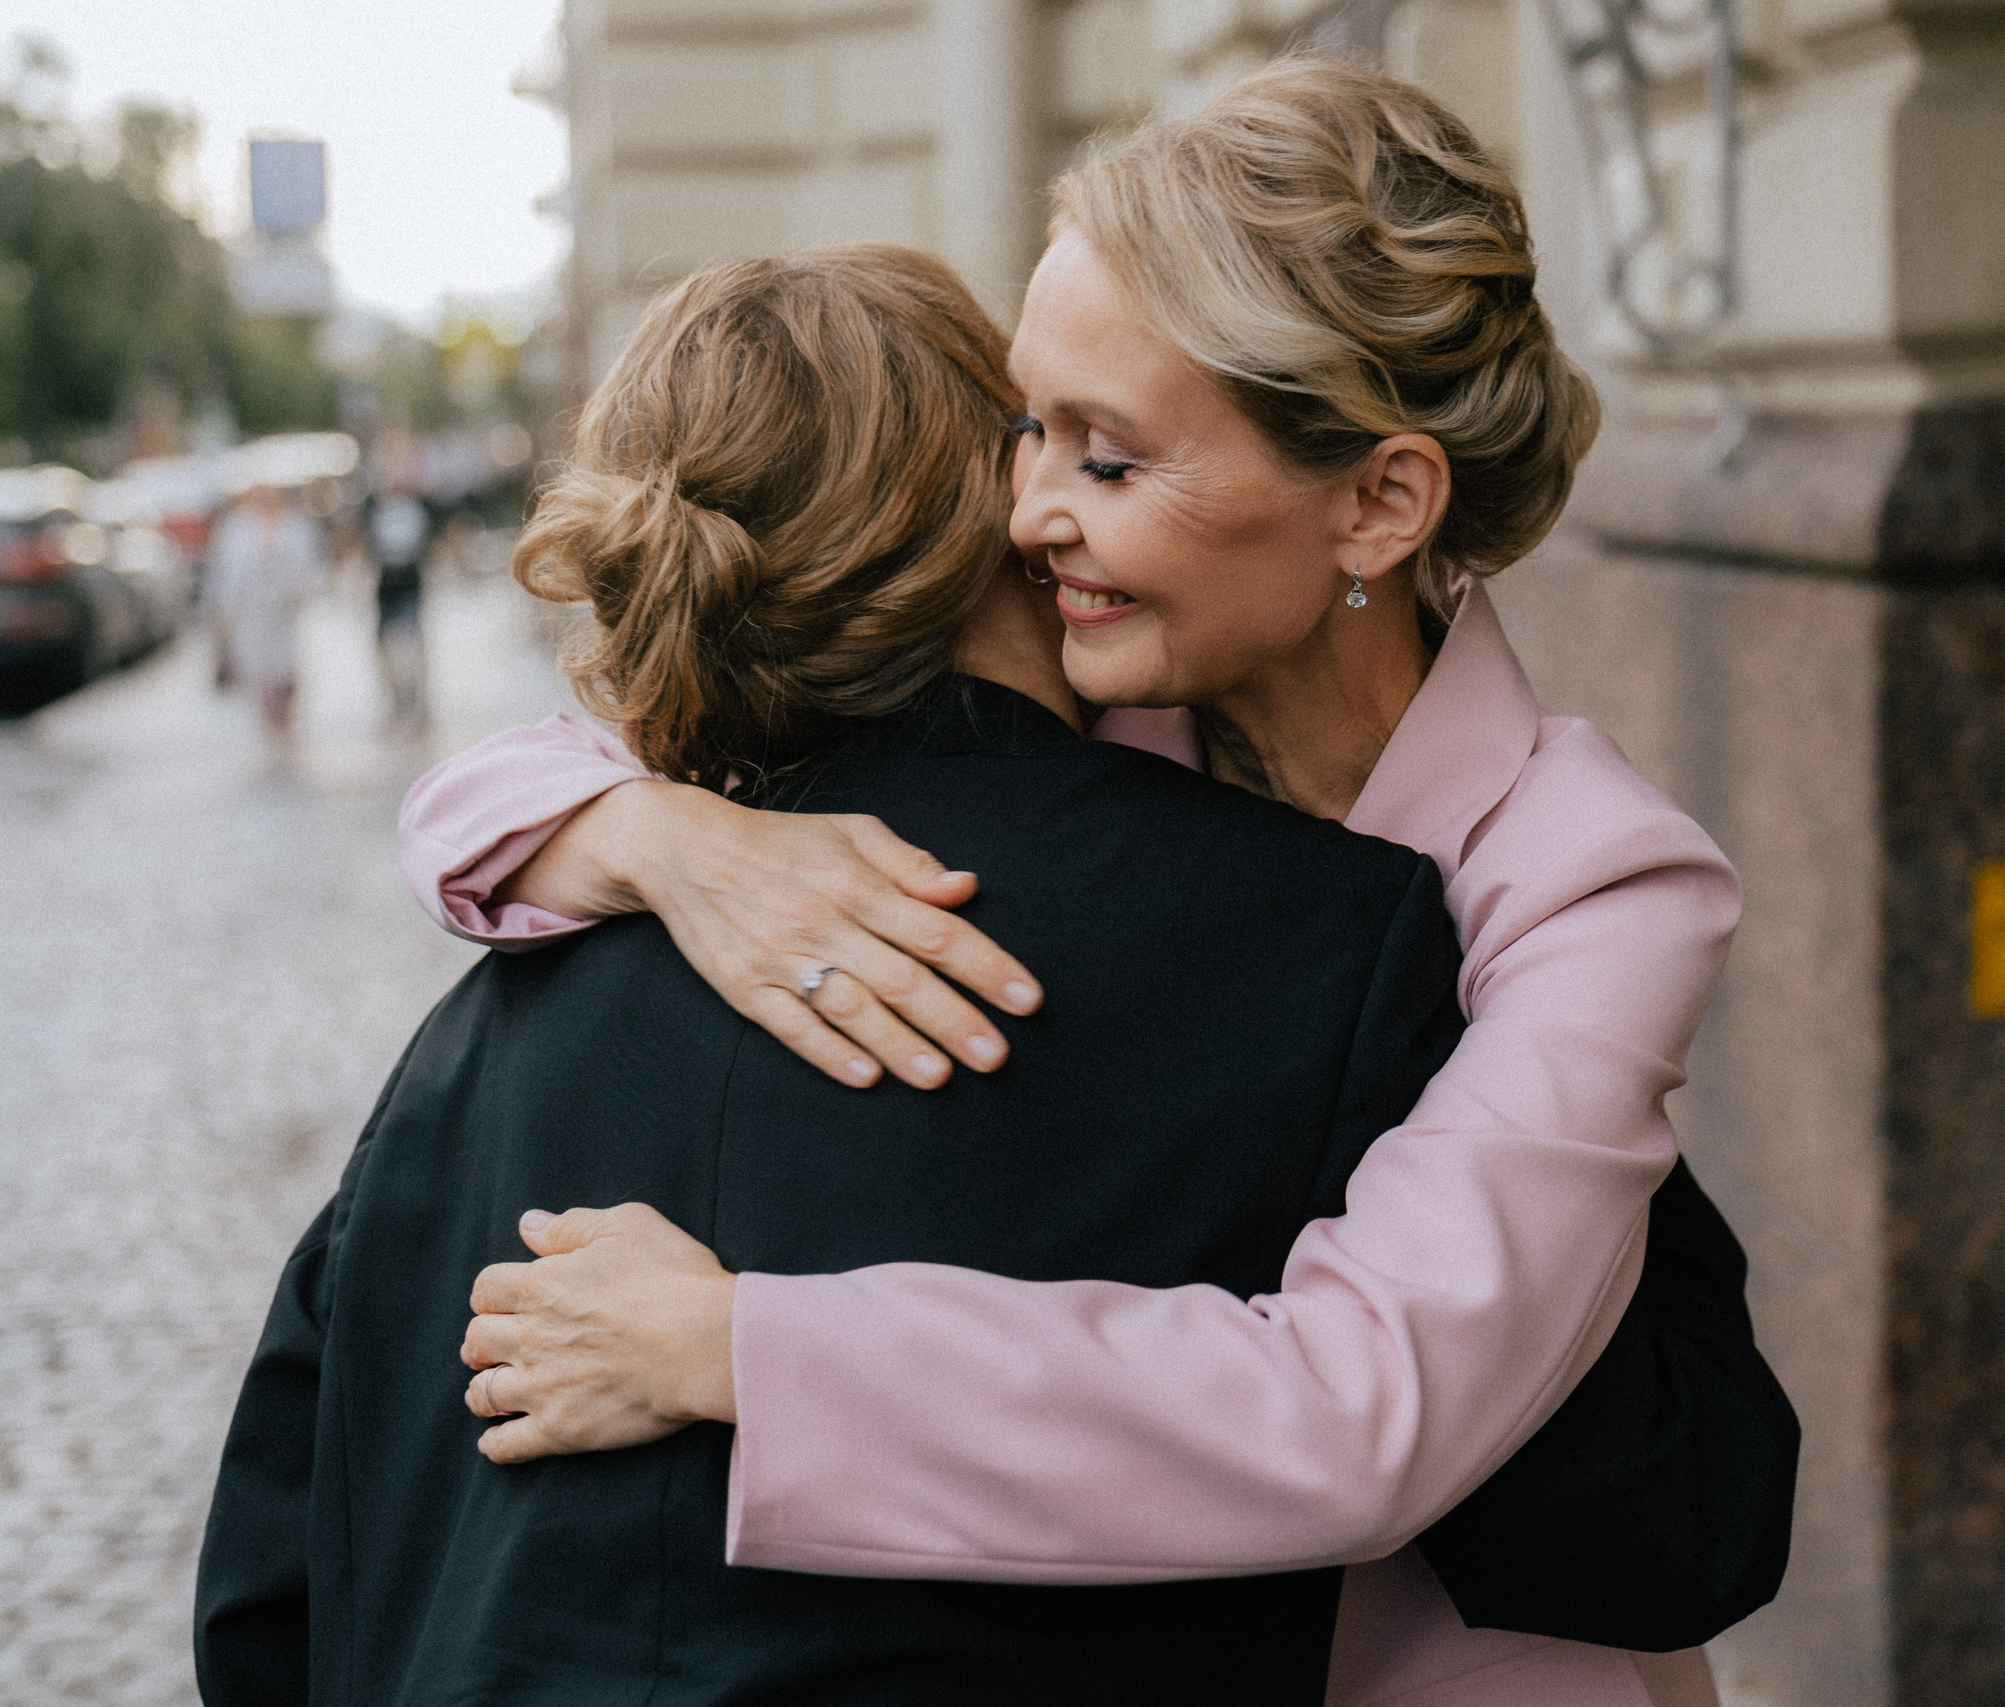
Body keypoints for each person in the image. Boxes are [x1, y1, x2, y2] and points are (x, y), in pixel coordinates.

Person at [401, 58, 1793, 1704]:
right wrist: (666, 839)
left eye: (1109, 460)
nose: (1030, 513)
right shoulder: (1091, 705)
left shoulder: (1595, 881)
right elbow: (513, 769)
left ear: (1377, 501)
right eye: (1028, 429)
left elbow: (1358, 1409)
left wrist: (748, 1350)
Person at [196, 244, 1472, 1705]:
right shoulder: (1320, 941)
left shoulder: (474, 1039)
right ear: (1003, 506)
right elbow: (1644, 1522)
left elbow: (265, 1600)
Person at [205, 483, 328, 740]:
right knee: (256, 665)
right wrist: (223, 610)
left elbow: (311, 565)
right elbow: (224, 571)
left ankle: (284, 712)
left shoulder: (295, 525)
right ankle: (268, 720)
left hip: (284, 606)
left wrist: (302, 588)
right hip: (250, 609)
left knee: (286, 664)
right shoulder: (237, 529)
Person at [363, 476, 433, 733]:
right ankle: (396, 702)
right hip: (387, 582)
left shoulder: (415, 509)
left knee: (413, 644)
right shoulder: (376, 510)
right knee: (385, 645)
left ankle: (416, 703)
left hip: (407, 579)